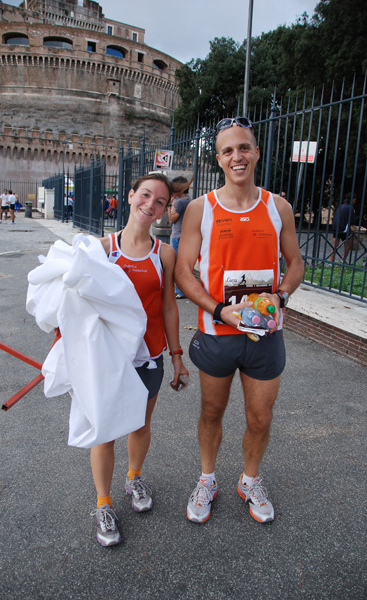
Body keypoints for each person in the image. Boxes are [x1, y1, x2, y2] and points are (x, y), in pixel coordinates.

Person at [175, 116, 304, 525]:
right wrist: (218, 310)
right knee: (211, 413)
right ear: (218, 159)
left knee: (260, 417)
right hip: (217, 332)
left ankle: (250, 480)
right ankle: (207, 478)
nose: (237, 156)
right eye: (228, 150)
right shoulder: (201, 209)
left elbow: (296, 263)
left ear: (256, 153)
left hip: (265, 336)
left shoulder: (277, 206)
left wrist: (280, 296)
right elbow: (182, 272)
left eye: (244, 147)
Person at [89, 173, 189, 546]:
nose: (151, 204)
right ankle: (103, 503)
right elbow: (78, 304)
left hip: (149, 358)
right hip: (109, 359)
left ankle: (133, 478)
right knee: (105, 432)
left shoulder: (164, 253)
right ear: (130, 197)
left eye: (160, 201)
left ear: (166, 209)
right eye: (145, 195)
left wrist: (177, 357)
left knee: (140, 424)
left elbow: (168, 308)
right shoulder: (102, 248)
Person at [168, 176, 193, 299]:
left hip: (178, 236)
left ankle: (180, 290)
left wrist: (168, 205)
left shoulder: (179, 202)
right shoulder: (189, 200)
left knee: (178, 265)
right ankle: (185, 290)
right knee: (185, 265)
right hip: (187, 236)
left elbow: (171, 219)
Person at [331, 192, 357, 262]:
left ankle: (331, 262)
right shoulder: (350, 208)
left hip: (335, 227)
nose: (355, 201)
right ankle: (343, 261)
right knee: (348, 245)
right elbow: (353, 220)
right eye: (354, 199)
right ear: (353, 200)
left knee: (334, 246)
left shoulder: (341, 206)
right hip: (343, 229)